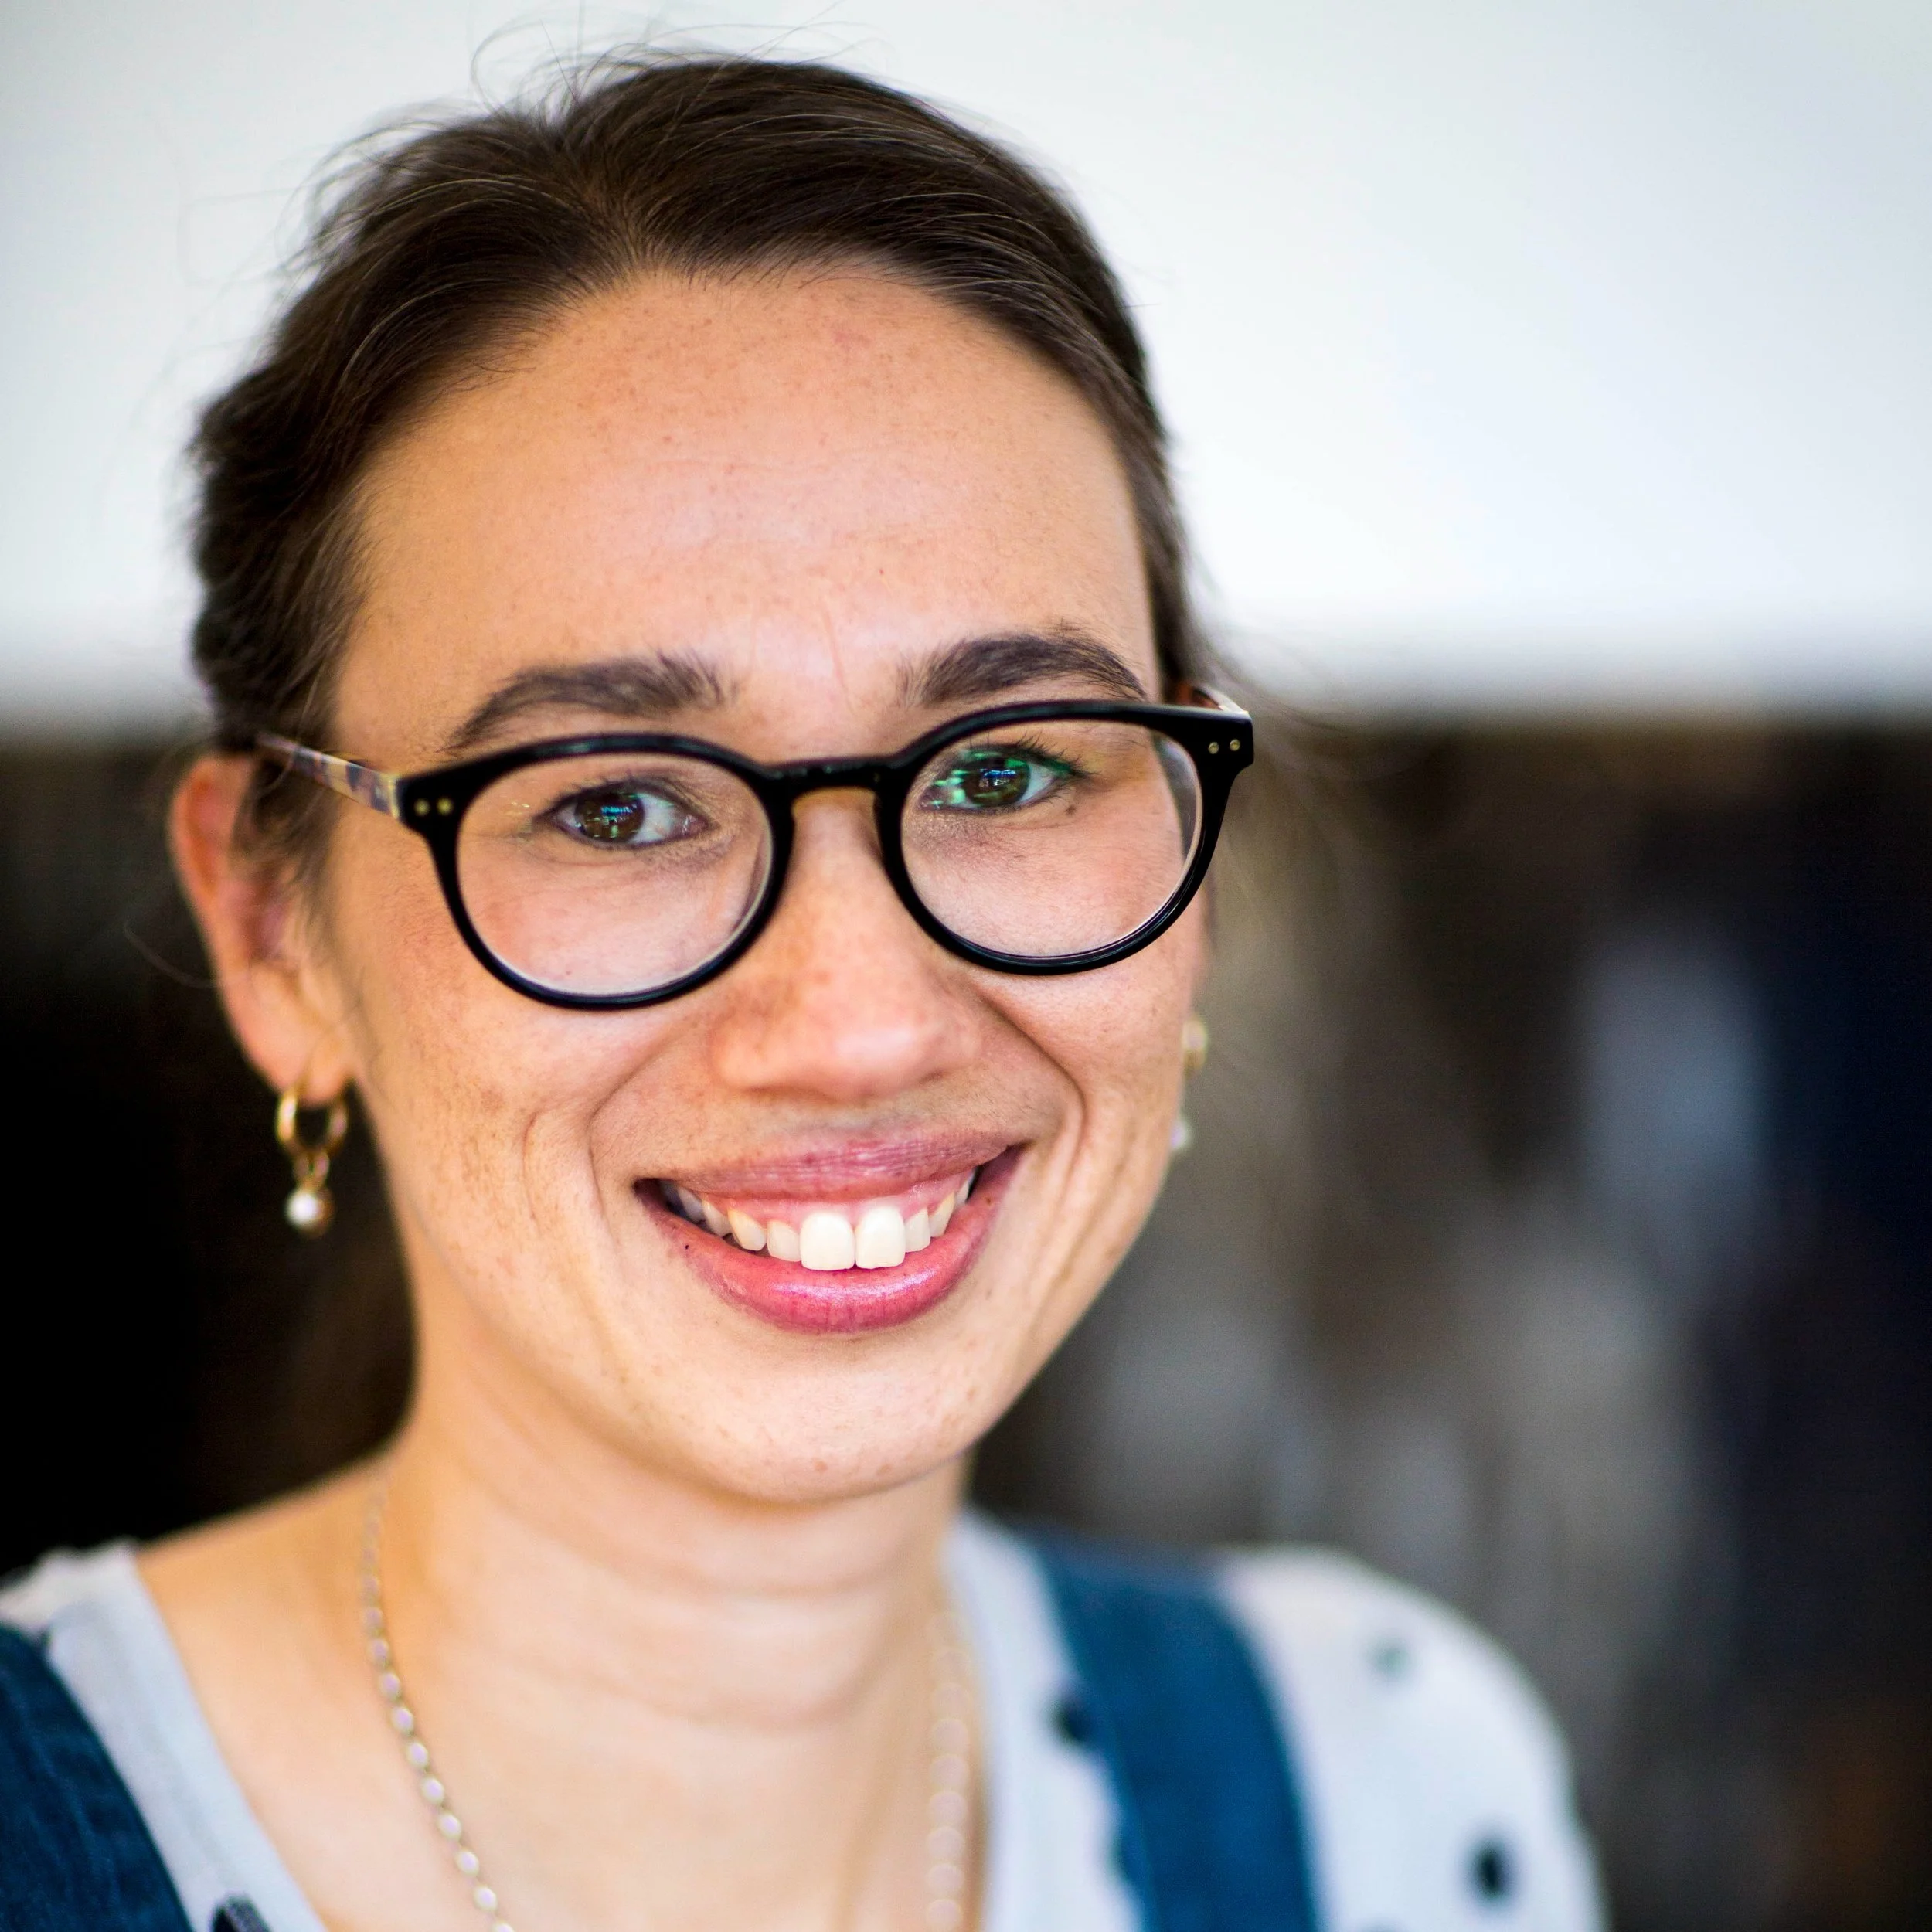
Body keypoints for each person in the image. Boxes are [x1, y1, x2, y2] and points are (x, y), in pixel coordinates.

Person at [0, 53, 1602, 1932]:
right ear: (275, 933)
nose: (857, 1017)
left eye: (1006, 768)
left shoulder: (1380, 1796)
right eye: (613, 803)